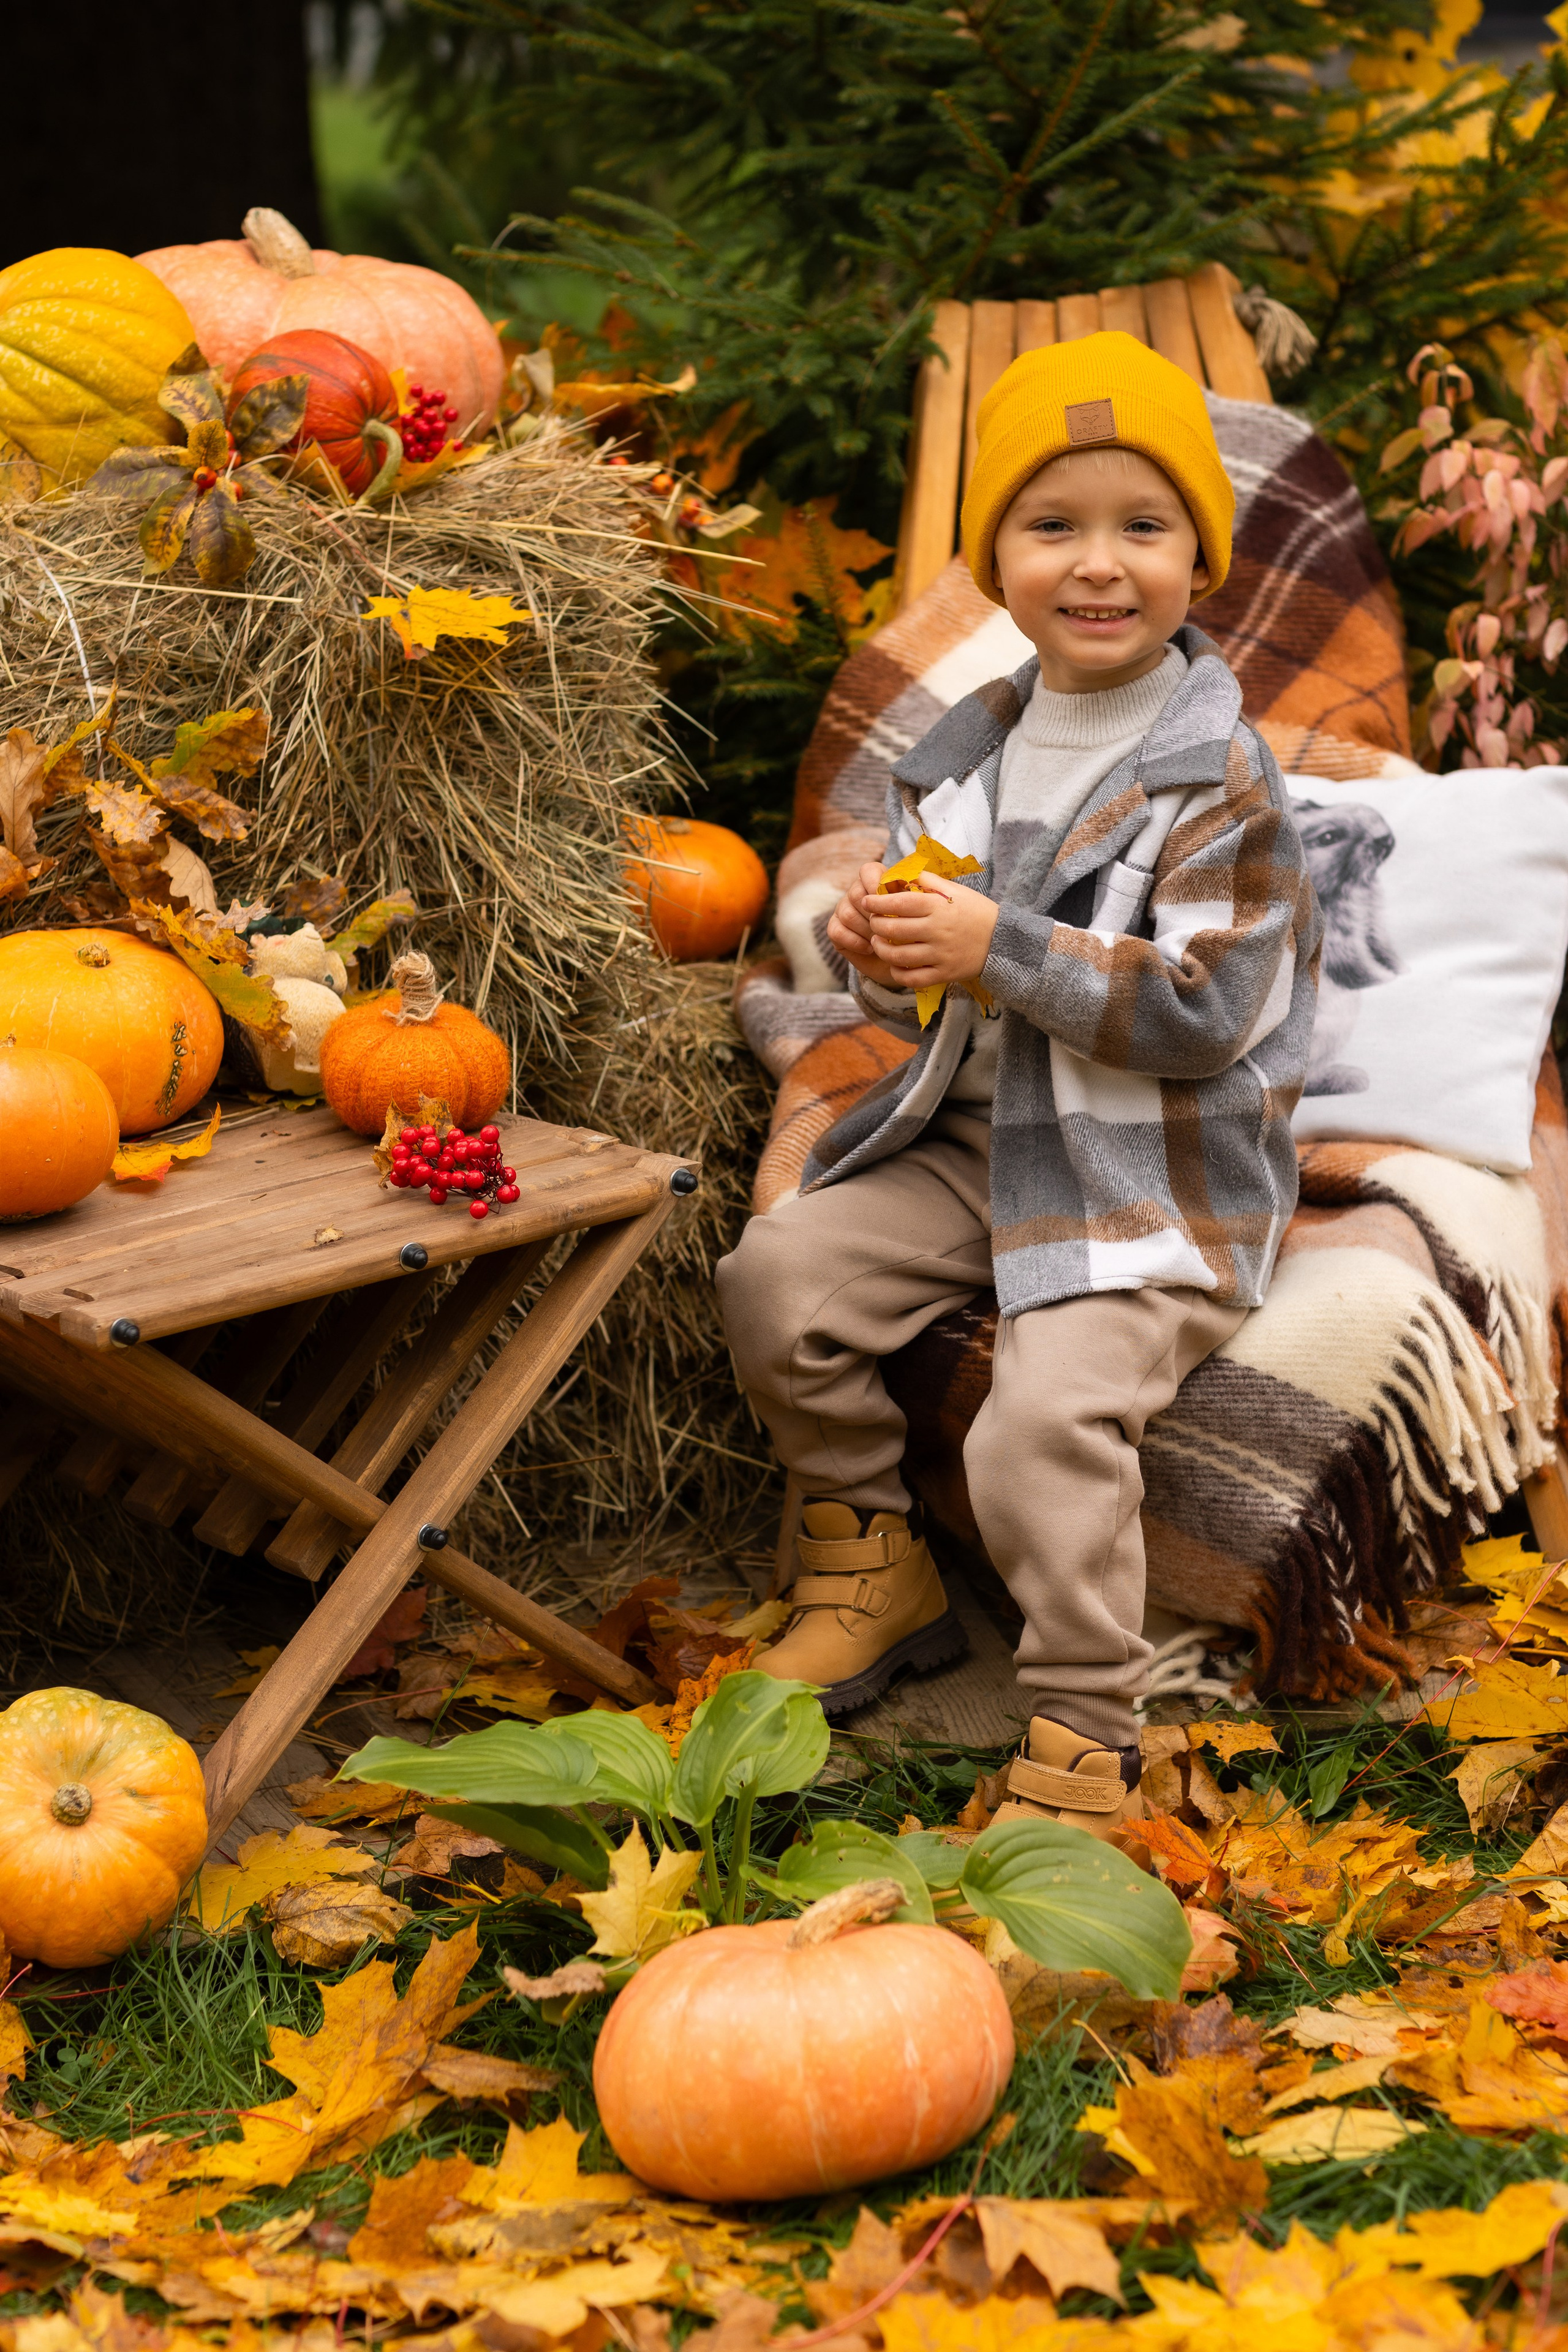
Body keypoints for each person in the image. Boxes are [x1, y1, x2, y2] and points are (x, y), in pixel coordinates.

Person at [716, 332, 1321, 1836]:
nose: (1098, 565)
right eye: (1052, 527)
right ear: (994, 561)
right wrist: (882, 954)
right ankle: (873, 1565)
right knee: (778, 1278)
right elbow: (929, 990)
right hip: (979, 1139)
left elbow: (1205, 1012)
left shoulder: (1217, 781)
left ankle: (1080, 1734)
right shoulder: (961, 753)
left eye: (1143, 526)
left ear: (1202, 556)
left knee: (1038, 1419)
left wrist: (1000, 946)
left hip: (1145, 1172)